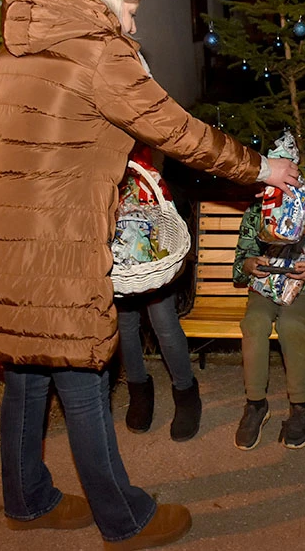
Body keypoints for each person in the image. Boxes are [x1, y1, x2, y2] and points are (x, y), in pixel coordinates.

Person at [0, 0, 299, 551]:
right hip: (57, 238)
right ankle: (123, 519)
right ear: (105, 0)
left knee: (26, 371)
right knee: (82, 369)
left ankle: (27, 499)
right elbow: (176, 130)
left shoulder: (9, 55)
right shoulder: (101, 52)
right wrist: (262, 167)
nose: (132, 27)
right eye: (129, 13)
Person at [233, 168, 305, 450]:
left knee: (290, 326)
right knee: (254, 323)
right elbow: (240, 263)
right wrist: (249, 265)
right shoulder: (260, 213)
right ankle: (256, 403)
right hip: (265, 284)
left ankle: (300, 404)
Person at [115, 147, 201, 443]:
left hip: (155, 258)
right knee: (124, 324)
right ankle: (139, 388)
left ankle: (186, 391)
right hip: (118, 266)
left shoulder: (146, 171)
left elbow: (169, 211)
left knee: (163, 320)